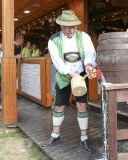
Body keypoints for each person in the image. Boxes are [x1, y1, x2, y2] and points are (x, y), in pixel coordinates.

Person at [42, 10, 97, 154]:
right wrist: (71, 74)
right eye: (67, 27)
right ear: (61, 26)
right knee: (59, 106)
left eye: (73, 27)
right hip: (64, 77)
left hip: (81, 75)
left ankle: (84, 137)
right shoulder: (54, 40)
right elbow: (58, 62)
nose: (70, 30)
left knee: (82, 105)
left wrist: (88, 65)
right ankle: (55, 135)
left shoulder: (84, 36)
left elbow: (90, 53)